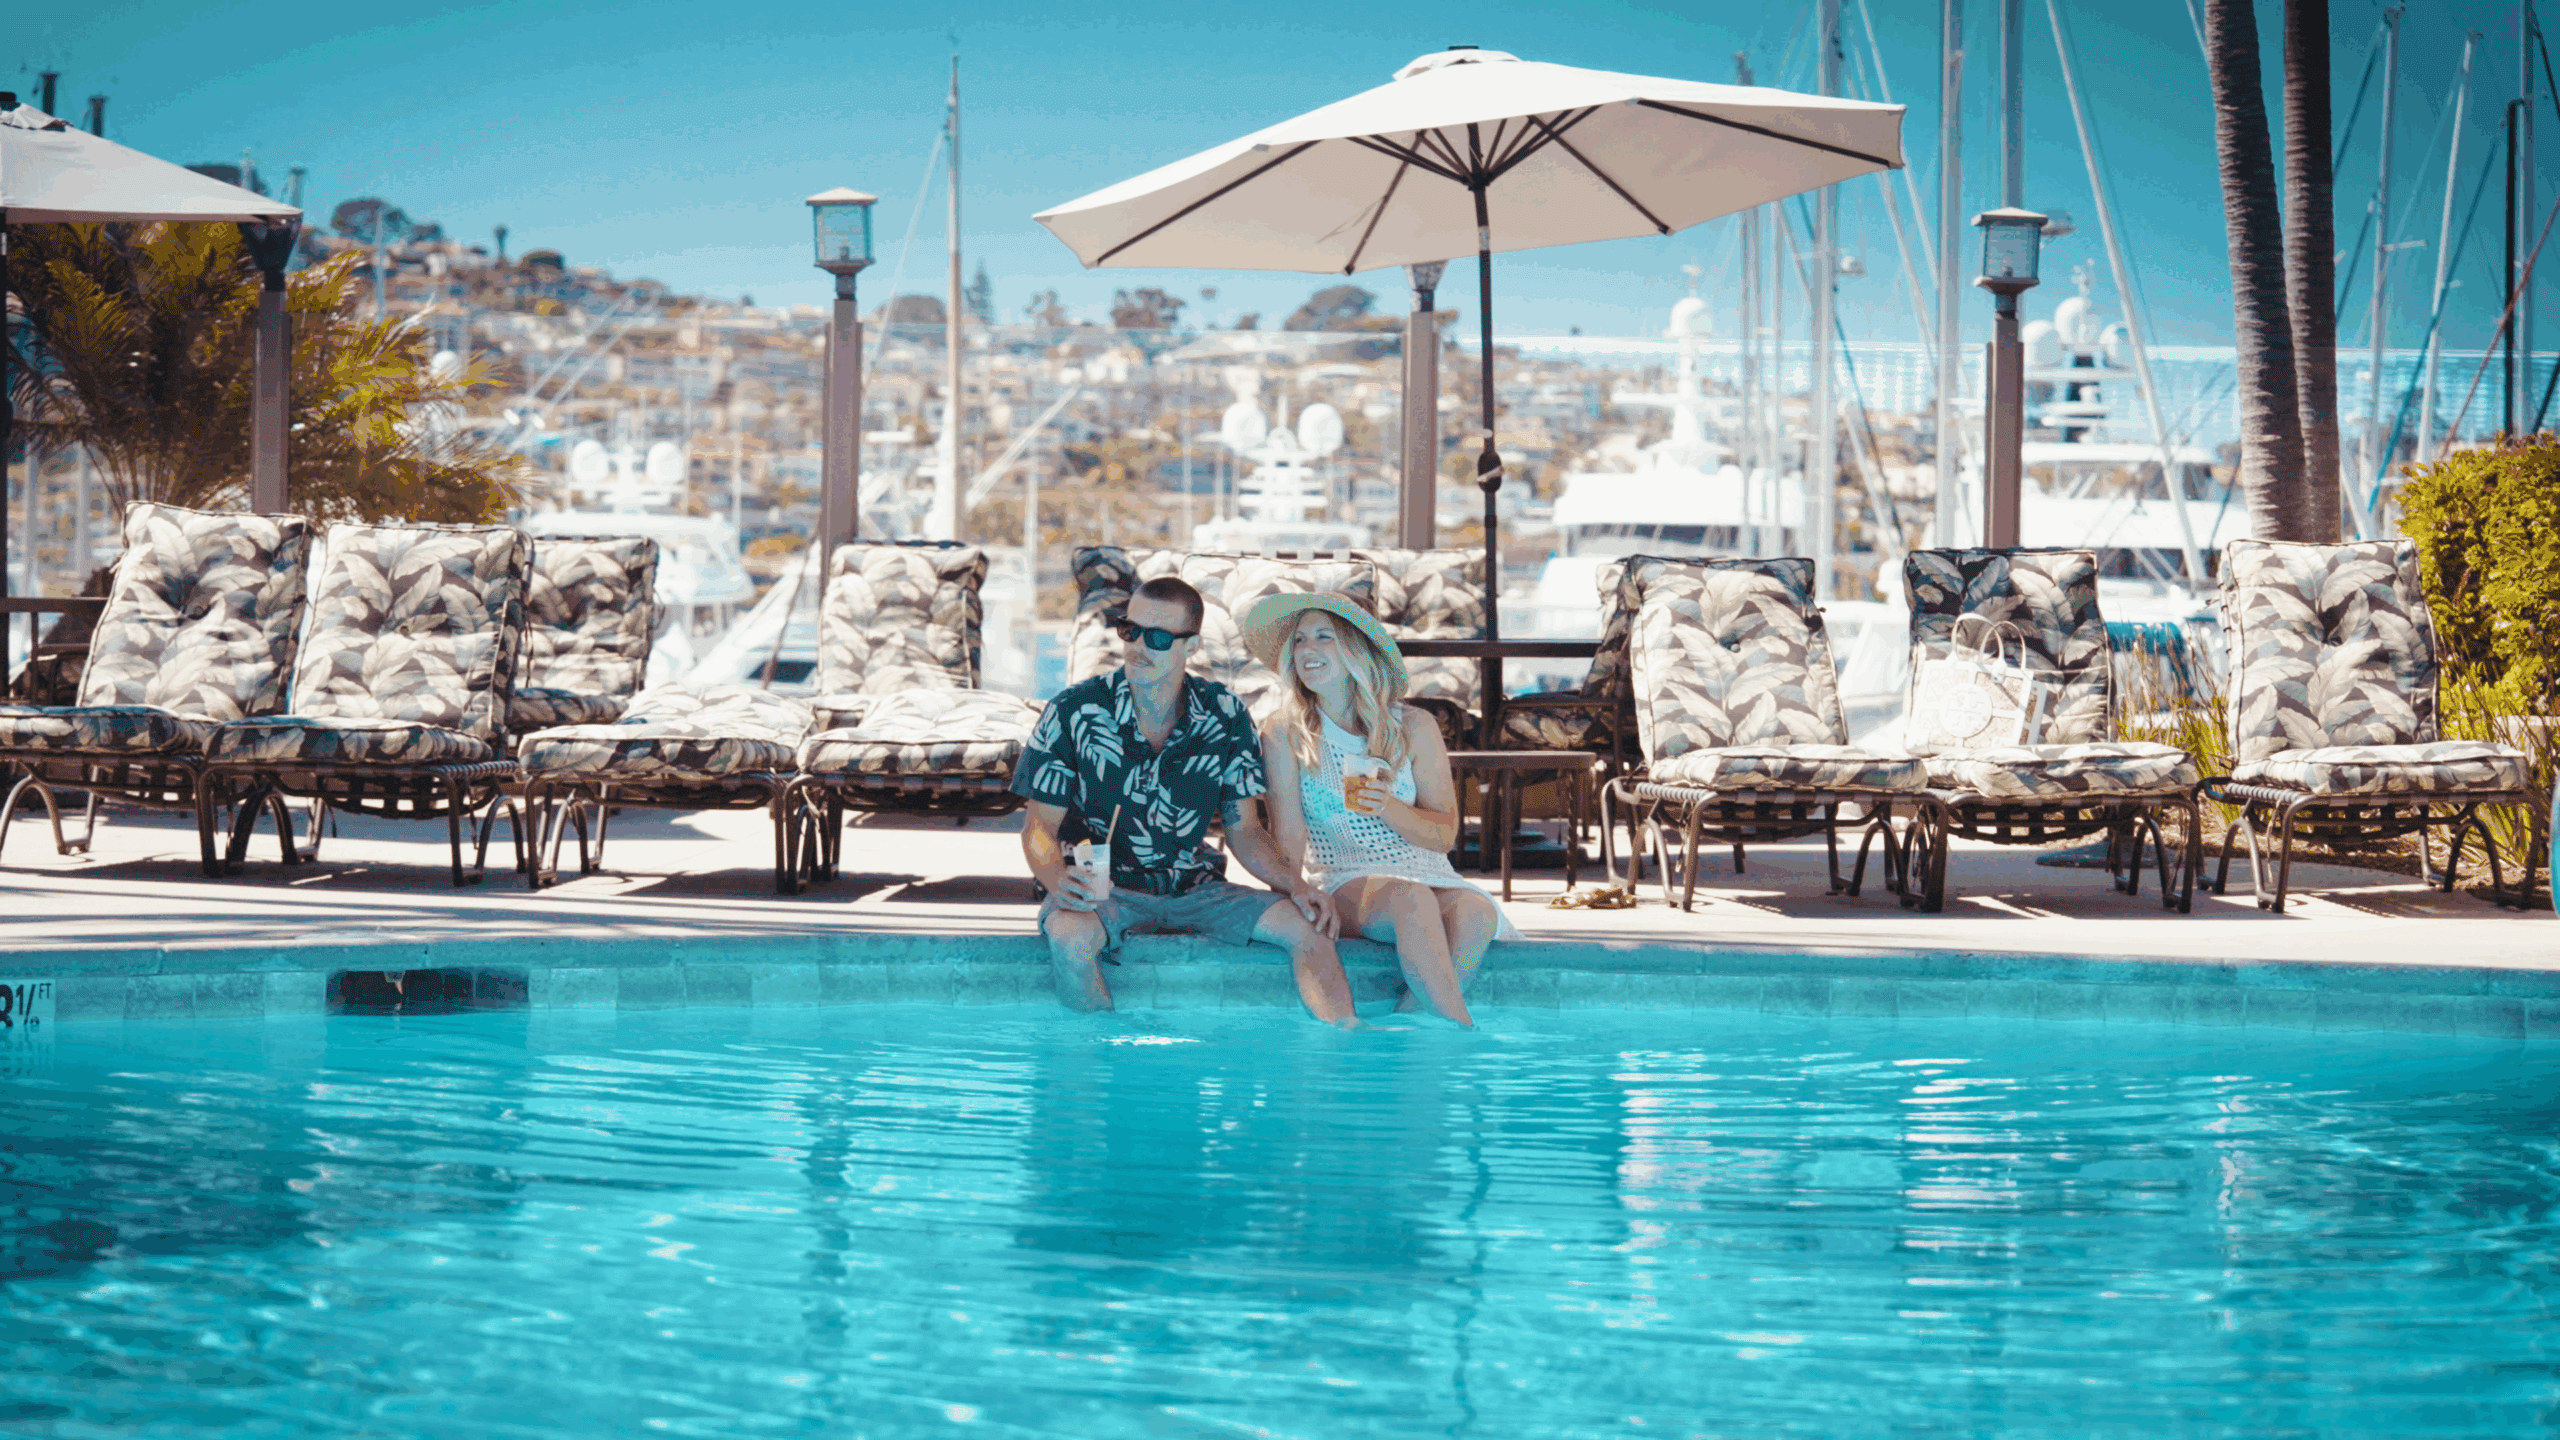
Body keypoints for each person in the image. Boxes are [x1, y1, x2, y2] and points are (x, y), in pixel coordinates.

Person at [1012, 575, 1363, 1026]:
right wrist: (1056, 878)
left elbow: (1246, 831)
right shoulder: (1074, 711)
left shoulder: (1224, 714)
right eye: (1129, 630)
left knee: (1308, 930)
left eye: (1157, 637)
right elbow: (1039, 826)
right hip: (1102, 888)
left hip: (1193, 885)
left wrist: (1295, 885)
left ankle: (1343, 1050)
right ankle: (1099, 1062)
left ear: (1190, 646)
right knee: (1069, 938)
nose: (1138, 645)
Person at [1243, 591, 1515, 1029]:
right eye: (1298, 641)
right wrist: (1295, 896)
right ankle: (1464, 1033)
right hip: (1345, 876)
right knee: (1411, 900)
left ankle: (1408, 1032)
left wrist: (1389, 808)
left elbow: (1444, 835)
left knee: (1476, 912)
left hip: (1427, 870)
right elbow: (1289, 837)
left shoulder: (1414, 726)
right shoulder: (1285, 732)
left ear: (1355, 648)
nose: (1307, 650)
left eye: (1323, 637)